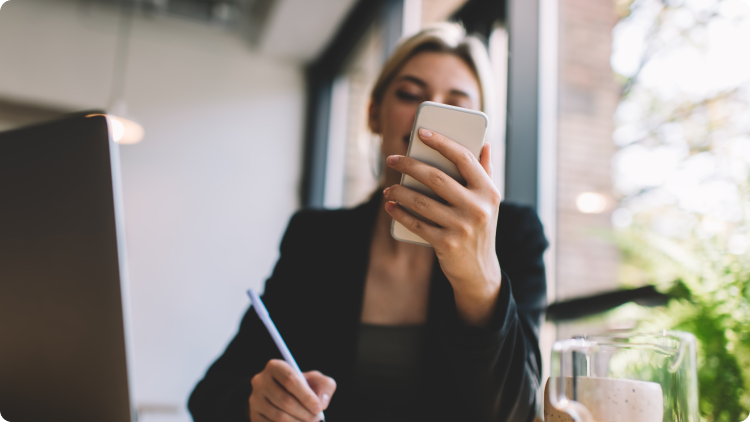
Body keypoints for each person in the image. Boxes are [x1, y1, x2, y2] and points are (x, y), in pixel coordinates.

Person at [188, 23, 547, 422]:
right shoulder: (316, 240)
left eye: (456, 107)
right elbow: (208, 396)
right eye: (410, 95)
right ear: (374, 114)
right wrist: (256, 404)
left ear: (482, 136)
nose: (428, 120)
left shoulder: (513, 235)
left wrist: (479, 279)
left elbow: (519, 413)